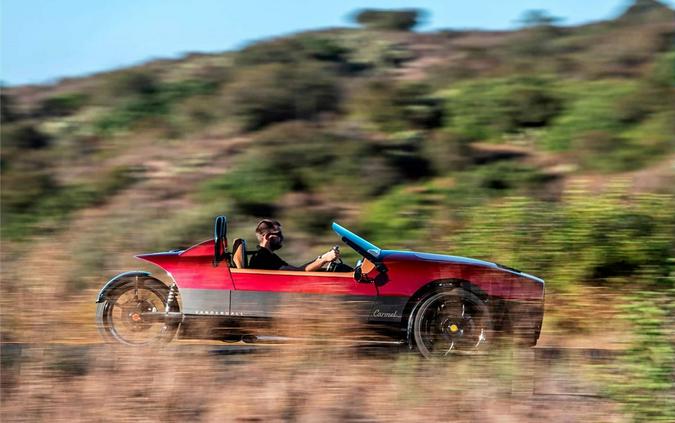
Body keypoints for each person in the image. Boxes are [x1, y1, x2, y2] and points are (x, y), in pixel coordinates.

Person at [248, 219, 340, 271]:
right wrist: (324, 260)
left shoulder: (269, 256)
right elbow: (300, 273)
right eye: (279, 234)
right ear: (268, 237)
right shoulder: (263, 258)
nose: (282, 238)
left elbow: (297, 269)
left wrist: (321, 258)